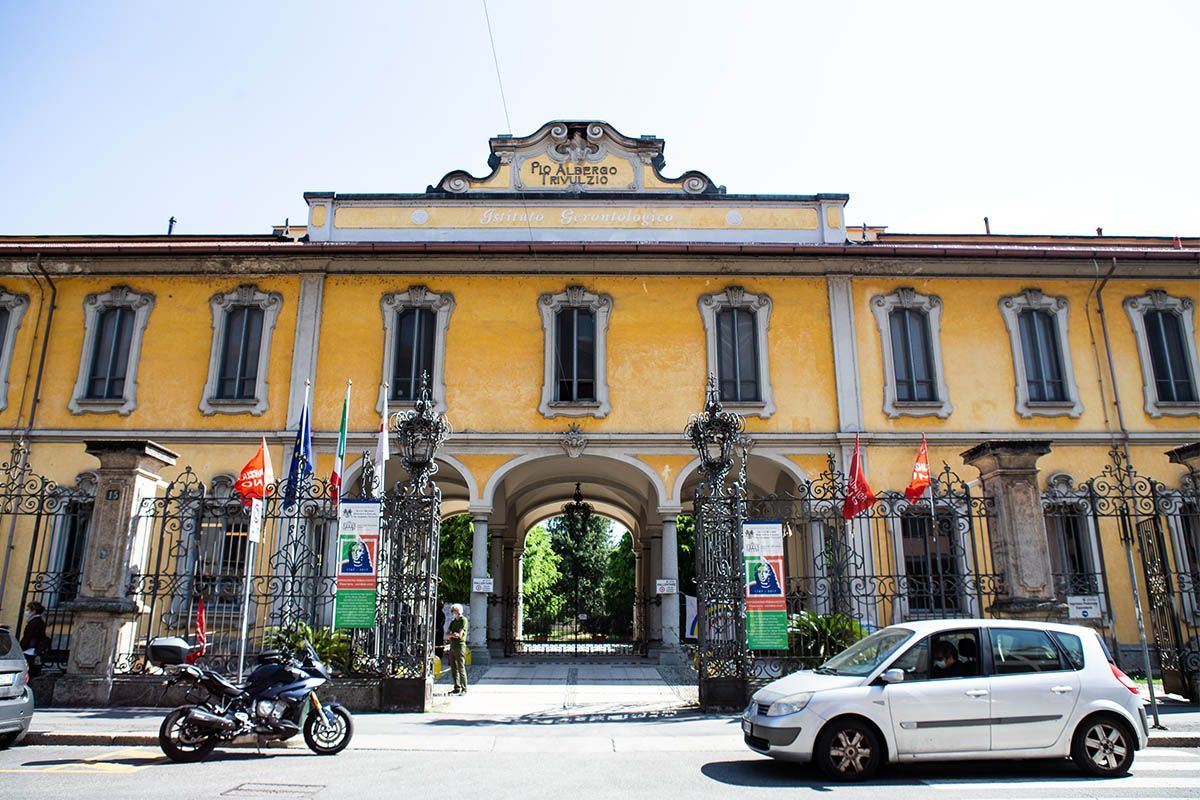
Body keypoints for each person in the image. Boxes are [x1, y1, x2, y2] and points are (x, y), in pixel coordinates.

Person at [20, 601, 48, 677]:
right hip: (32, 647)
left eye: (28, 609)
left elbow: (28, 636)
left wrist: (21, 646)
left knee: (27, 667)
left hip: (30, 648)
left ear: (34, 611)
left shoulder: (34, 622)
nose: (27, 612)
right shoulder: (38, 621)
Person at [447, 603, 468, 695]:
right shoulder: (453, 622)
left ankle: (464, 689)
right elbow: (447, 633)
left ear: (459, 611)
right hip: (452, 646)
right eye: (453, 611)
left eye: (454, 611)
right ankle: (457, 687)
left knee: (461, 668)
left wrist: (453, 635)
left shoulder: (463, 620)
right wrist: (453, 635)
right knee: (453, 668)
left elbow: (459, 635)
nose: (453, 613)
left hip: (460, 646)